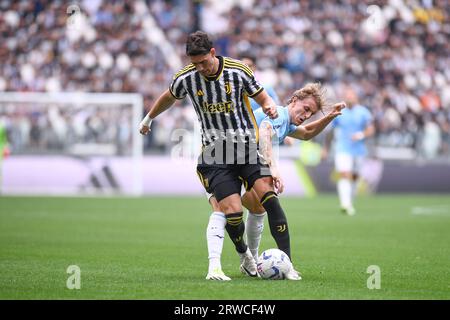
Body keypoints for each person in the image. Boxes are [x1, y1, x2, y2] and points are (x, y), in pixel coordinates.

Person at [139, 31, 301, 281]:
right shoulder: (186, 78)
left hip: (248, 148)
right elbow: (168, 97)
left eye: (203, 62)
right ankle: (245, 255)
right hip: (216, 153)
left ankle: (289, 265)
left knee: (270, 198)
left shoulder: (238, 71)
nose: (200, 68)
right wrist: (149, 118)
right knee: (233, 214)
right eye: (194, 63)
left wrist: (268, 105)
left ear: (213, 53)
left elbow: (262, 96)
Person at [206, 83, 346, 280]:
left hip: (241, 161)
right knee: (227, 212)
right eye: (306, 109)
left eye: (311, 113)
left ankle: (254, 260)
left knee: (260, 207)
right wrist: (274, 168)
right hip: (222, 160)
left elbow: (305, 133)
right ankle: (227, 263)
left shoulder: (286, 122)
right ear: (294, 100)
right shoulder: (278, 115)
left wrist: (329, 117)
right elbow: (264, 133)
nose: (307, 115)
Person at [322, 87, 375, 216]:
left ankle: (350, 201)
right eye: (347, 96)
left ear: (356, 97)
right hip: (342, 149)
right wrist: (326, 148)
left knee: (355, 177)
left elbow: (371, 129)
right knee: (345, 174)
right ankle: (345, 204)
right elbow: (330, 132)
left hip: (359, 150)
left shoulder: (364, 112)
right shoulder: (340, 113)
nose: (350, 98)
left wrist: (361, 135)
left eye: (352, 95)